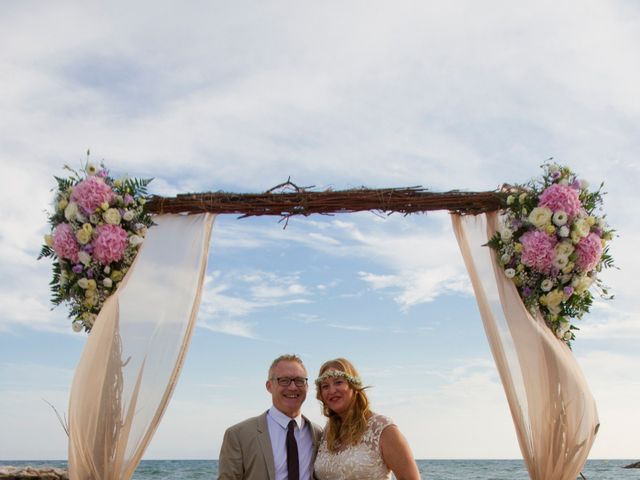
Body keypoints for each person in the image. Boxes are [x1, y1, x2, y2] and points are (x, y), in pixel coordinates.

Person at [218, 354, 323, 480]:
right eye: (284, 380)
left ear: (306, 386)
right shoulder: (238, 435)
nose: (293, 387)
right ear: (269, 386)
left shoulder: (318, 434)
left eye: (299, 381)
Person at [313, 358, 421, 480]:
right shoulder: (326, 433)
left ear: (354, 385)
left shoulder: (382, 429)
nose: (332, 390)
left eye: (338, 382)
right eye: (325, 386)